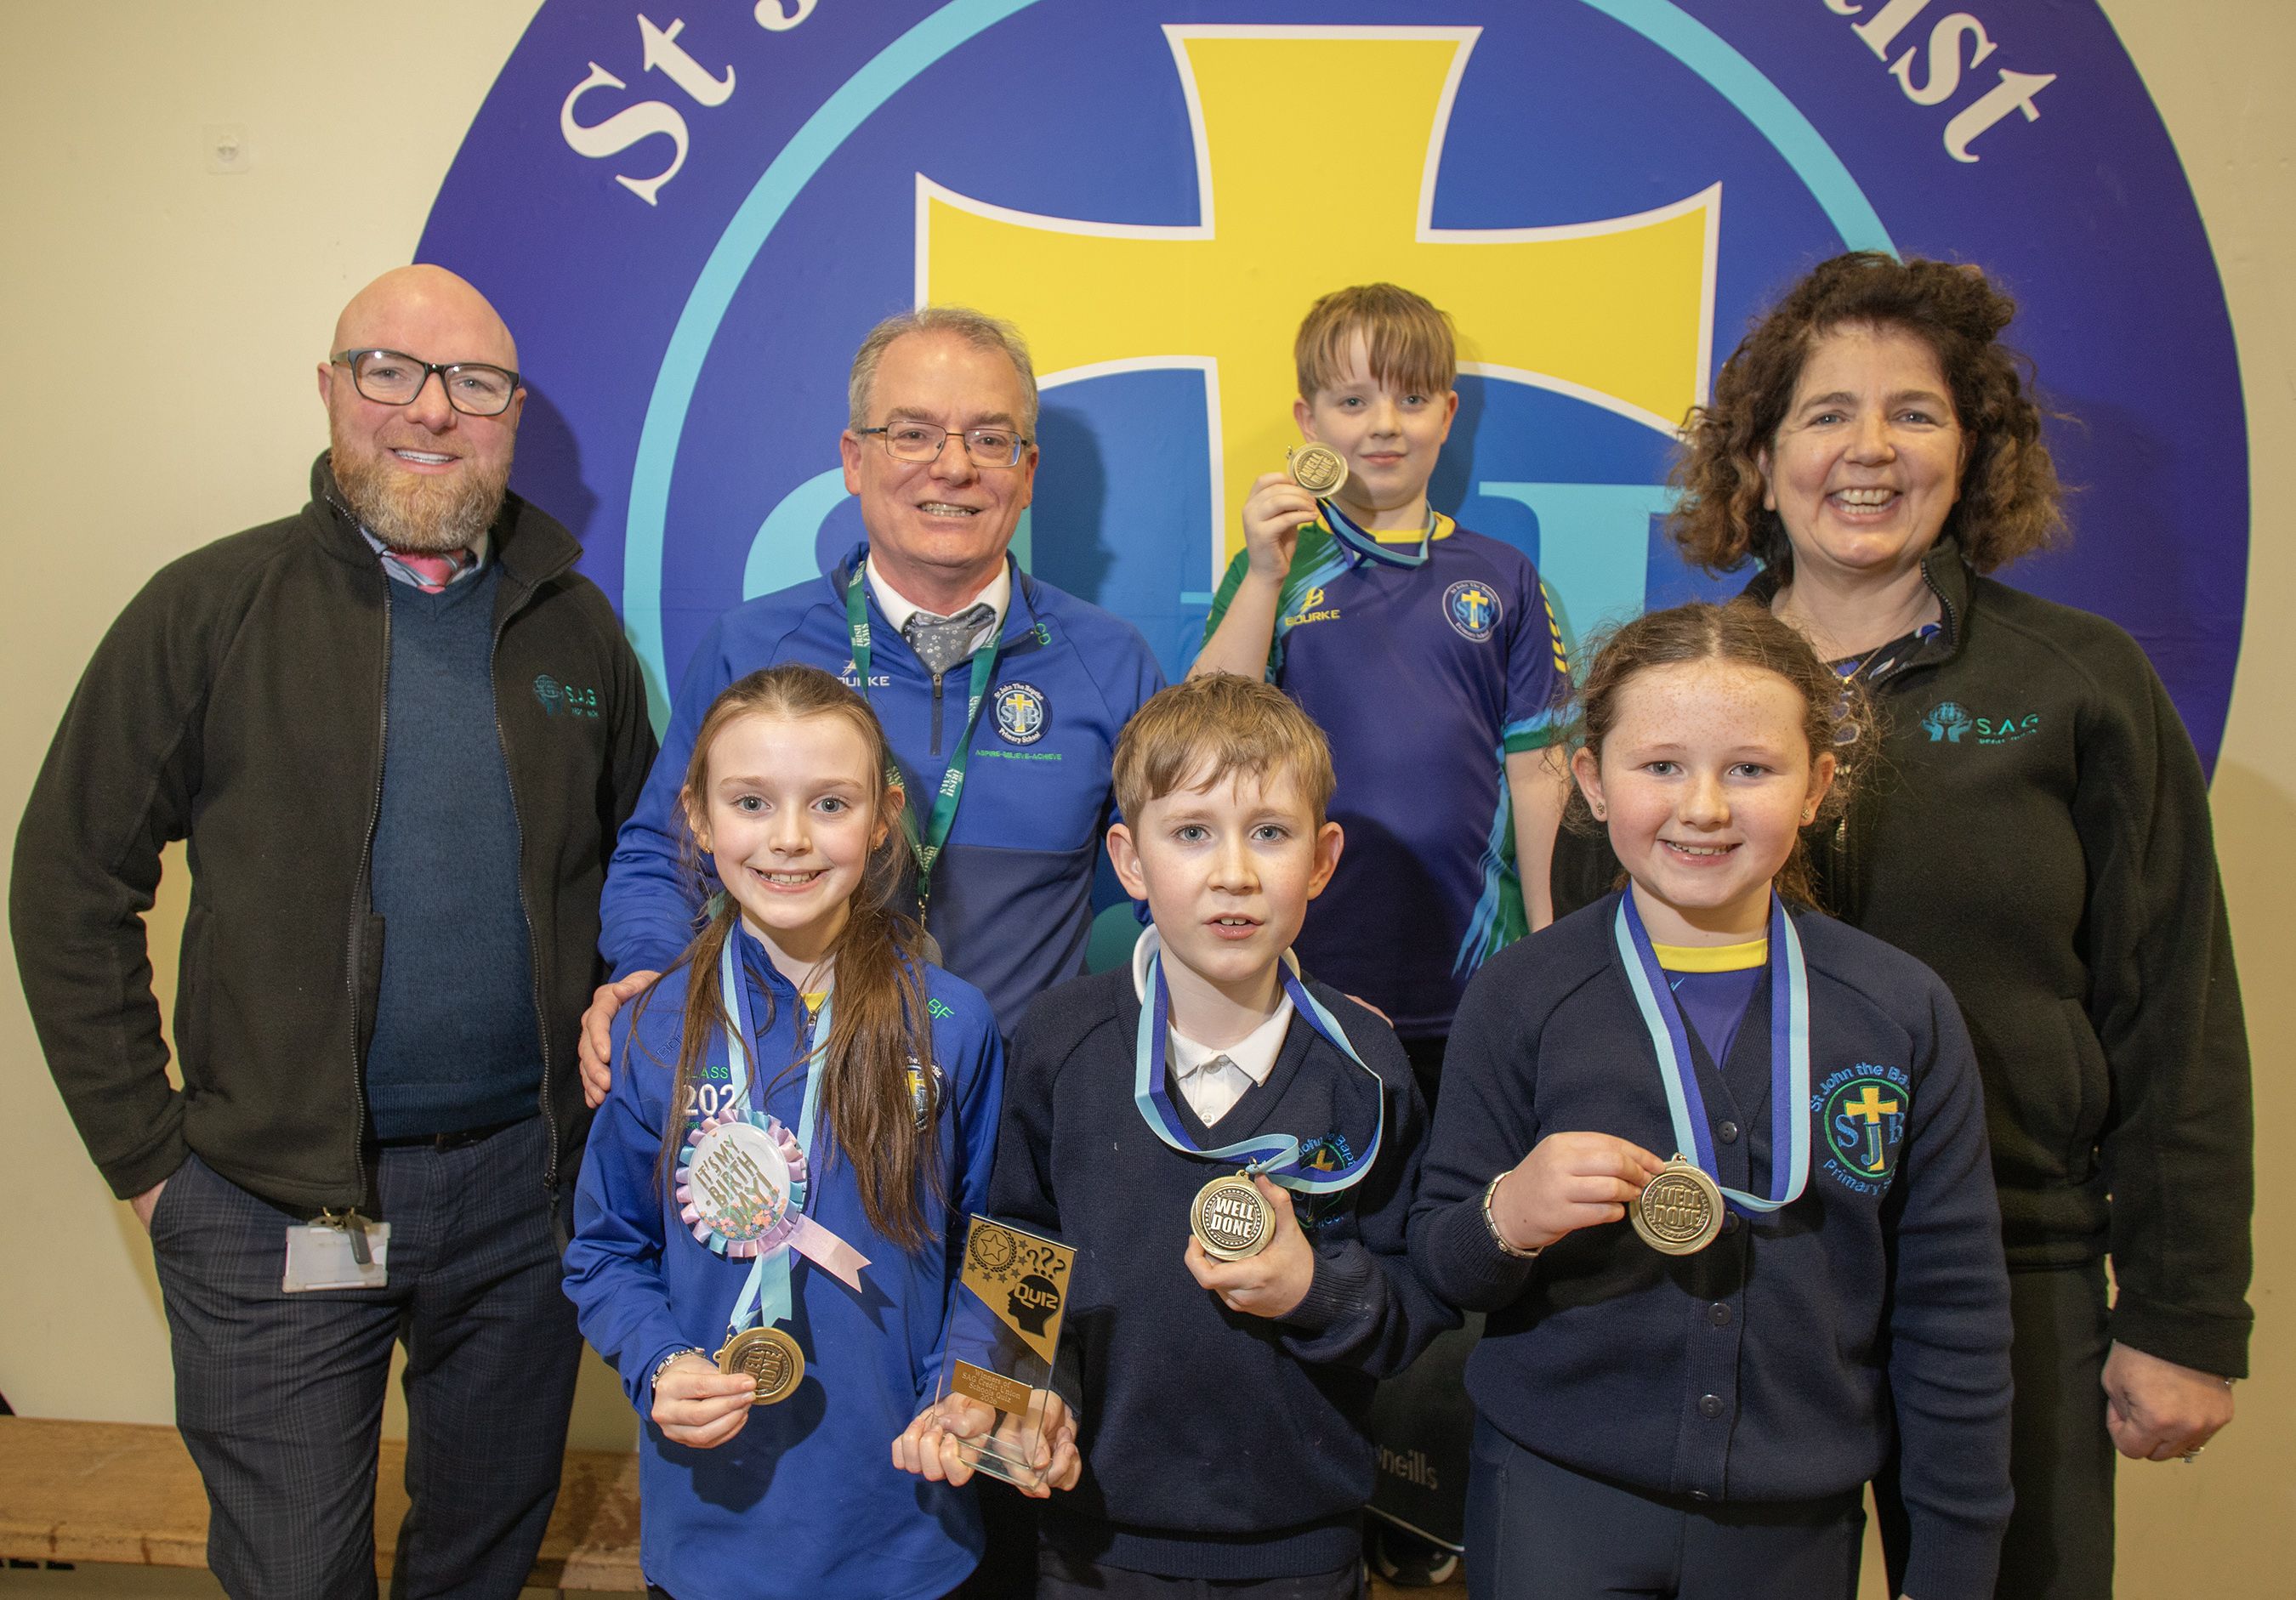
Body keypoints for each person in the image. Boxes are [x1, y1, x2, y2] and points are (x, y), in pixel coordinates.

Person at [1555, 252, 2253, 1599]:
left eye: (1915, 413)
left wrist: (2182, 1314)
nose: (1868, 450)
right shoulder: (1664, 682)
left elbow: (2176, 1011)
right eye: (1825, 414)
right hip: (1735, 1259)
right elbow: (1597, 975)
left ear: (1972, 449)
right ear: (1756, 459)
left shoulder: (2079, 684)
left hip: (2011, 1256)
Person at [9, 265, 658, 1597]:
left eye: (474, 383)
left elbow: (638, 872)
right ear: (329, 388)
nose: (431, 410)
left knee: (478, 1559)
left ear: (513, 414)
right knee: (297, 1574)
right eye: (389, 370)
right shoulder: (209, 608)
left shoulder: (575, 627)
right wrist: (151, 1162)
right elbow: (68, 880)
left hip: (522, 1200)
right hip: (275, 1202)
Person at [1418, 601, 2012, 1600]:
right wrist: (1504, 1219)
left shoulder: (1899, 1009)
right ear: (1592, 784)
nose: (1703, 806)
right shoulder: (1522, 992)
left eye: (1750, 767)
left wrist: (1951, 1562)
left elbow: (1953, 1308)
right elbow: (1439, 1260)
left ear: (1818, 785)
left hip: (1793, 1521)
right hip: (1557, 1499)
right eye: (1660, 766)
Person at [901, 673, 1450, 1597]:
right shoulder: (1058, 1043)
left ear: (1321, 860)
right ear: (1128, 859)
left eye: (1269, 833)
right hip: (1090, 1546)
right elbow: (1014, 1258)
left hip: (1303, 1549)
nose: (1232, 871)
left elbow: (1414, 1305)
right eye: (1192, 832)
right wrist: (1025, 1406)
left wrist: (1314, 1288)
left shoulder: (1367, 1064)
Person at [586, 305, 1166, 1092]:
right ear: (854, 460)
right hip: (788, 1117)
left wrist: (1262, 994)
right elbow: (663, 854)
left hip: (1020, 1133)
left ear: (1026, 474)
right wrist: (648, 978)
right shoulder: (754, 649)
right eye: (913, 433)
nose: (953, 468)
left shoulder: (1110, 661)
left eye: (990, 439)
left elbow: (1178, 878)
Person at [565, 663, 1011, 1600]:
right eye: (752, 802)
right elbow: (603, 1252)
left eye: (831, 802)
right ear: (697, 814)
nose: (791, 838)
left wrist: (975, 1389)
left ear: (885, 816)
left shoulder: (956, 1023)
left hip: (912, 1534)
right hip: (713, 1542)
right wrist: (657, 1362)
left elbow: (1011, 1253)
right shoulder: (654, 1031)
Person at [1191, 282, 1571, 1112]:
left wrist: (1553, 947)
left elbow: (1540, 773)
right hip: (1306, 968)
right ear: (1309, 422)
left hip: (1474, 971)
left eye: (1410, 397)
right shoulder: (1280, 568)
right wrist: (1262, 573)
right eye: (1354, 400)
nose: (1384, 424)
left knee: (1455, 1204)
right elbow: (1201, 738)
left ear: (1448, 411)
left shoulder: (1501, 576)